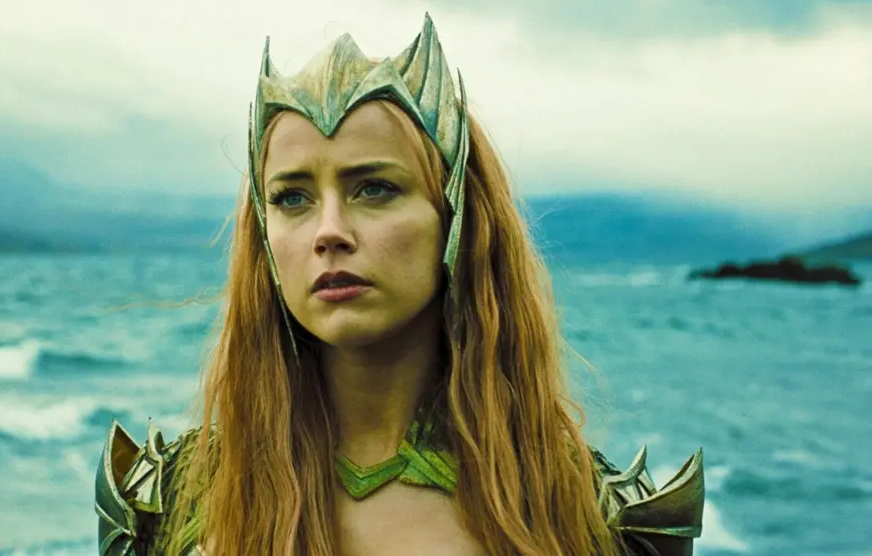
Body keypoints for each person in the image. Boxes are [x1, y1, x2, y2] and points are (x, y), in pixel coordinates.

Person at [95, 14, 705, 556]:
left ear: (456, 216)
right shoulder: (167, 499)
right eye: (292, 198)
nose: (329, 232)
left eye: (375, 188)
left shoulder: (585, 512)